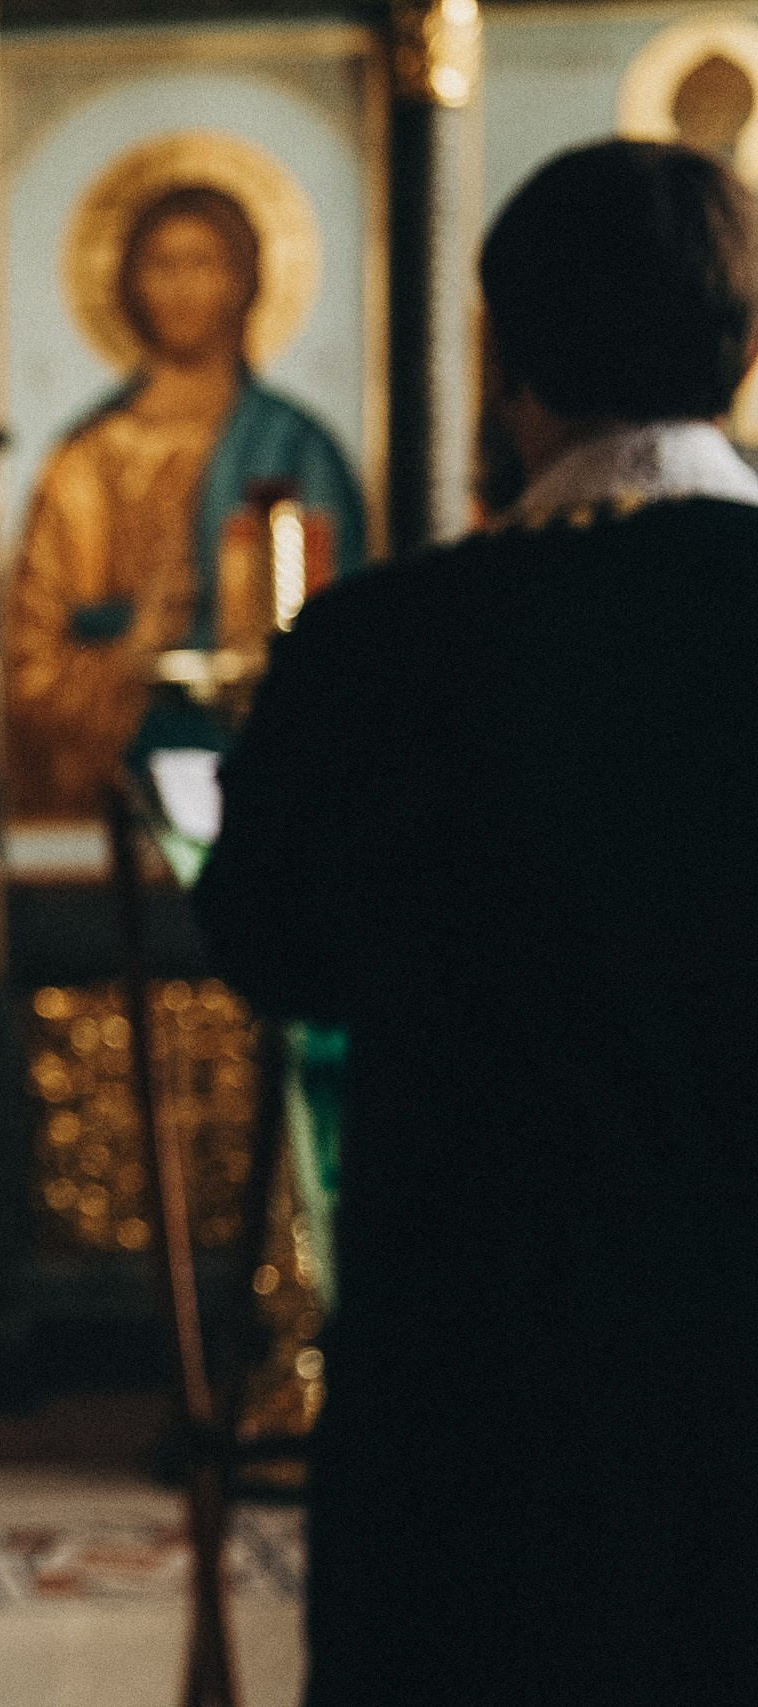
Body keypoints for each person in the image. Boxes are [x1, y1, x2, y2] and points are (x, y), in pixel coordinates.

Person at [195, 139, 758, 1705]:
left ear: (509, 361)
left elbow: (268, 938)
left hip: (481, 1368)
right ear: (740, 345)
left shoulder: (382, 643)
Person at [7, 180, 366, 818]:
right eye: (162, 265)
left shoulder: (295, 449)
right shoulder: (85, 462)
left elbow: (346, 640)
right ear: (129, 284)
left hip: (273, 781)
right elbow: (27, 667)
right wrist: (130, 651)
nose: (181, 288)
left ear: (244, 281)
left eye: (203, 264)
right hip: (116, 799)